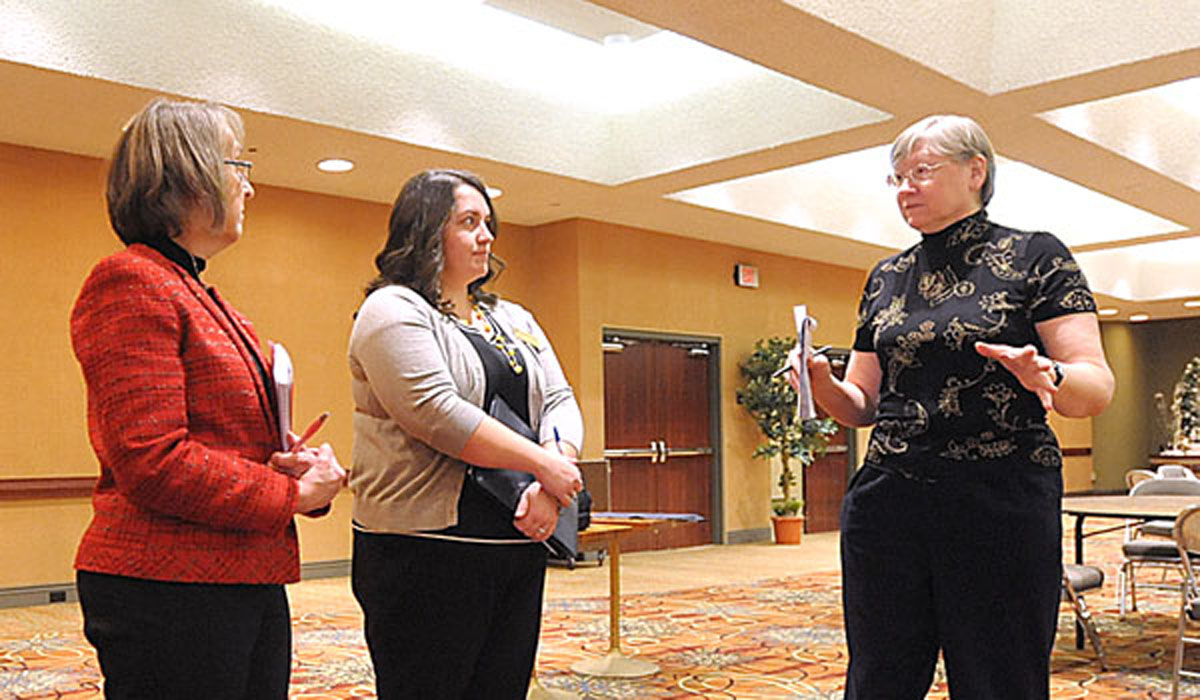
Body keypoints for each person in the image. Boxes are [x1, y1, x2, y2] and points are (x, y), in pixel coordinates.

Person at [790, 115, 1114, 699]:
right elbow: (863, 404)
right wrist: (822, 383)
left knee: (1000, 677)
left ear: (975, 171)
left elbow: (1095, 387)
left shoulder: (1034, 256)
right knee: (879, 676)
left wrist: (1050, 373)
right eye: (896, 178)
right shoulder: (887, 276)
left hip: (998, 498)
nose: (905, 188)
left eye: (921, 171)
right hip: (889, 499)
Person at [70, 97, 345, 700]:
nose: (248, 188)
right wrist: (293, 493)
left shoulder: (198, 292)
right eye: (236, 166)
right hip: (167, 584)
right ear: (187, 177)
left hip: (231, 575)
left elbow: (221, 441)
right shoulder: (130, 280)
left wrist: (289, 462)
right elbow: (152, 458)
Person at [348, 169, 584, 700]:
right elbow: (436, 413)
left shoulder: (512, 315)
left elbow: (560, 400)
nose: (487, 236)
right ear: (427, 231)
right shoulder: (392, 309)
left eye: (488, 223)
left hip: (517, 537)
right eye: (469, 222)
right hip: (425, 552)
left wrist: (552, 476)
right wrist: (543, 466)